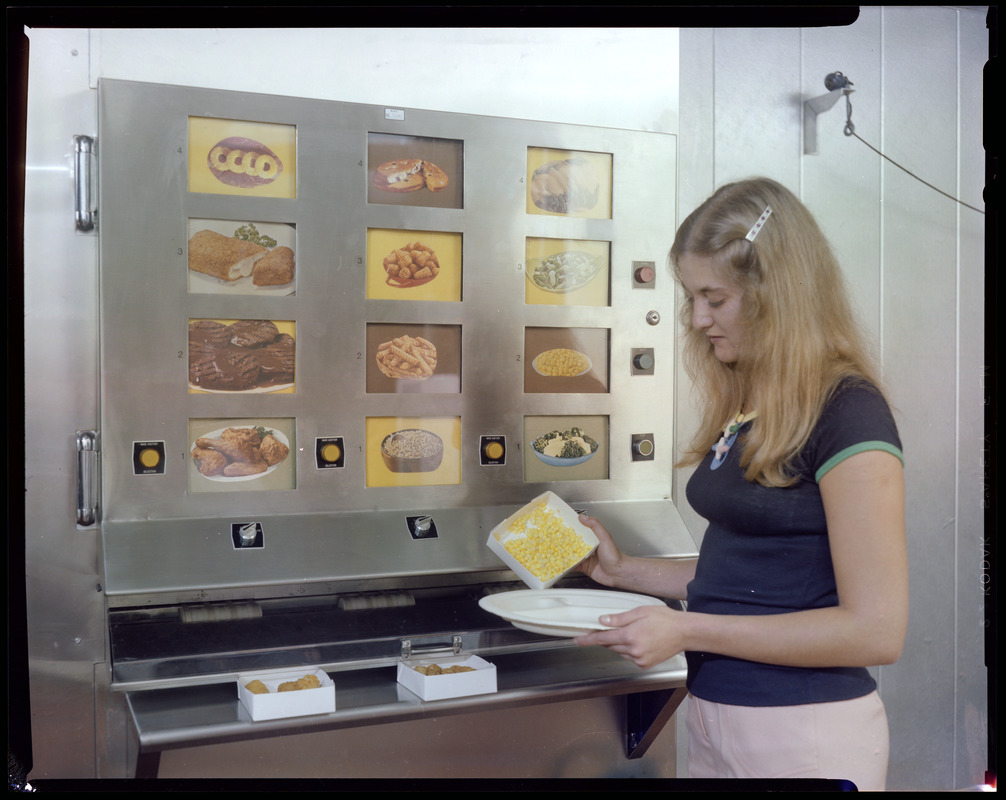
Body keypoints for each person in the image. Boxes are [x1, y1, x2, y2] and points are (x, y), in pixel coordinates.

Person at [574, 177, 907, 790]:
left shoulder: (848, 412)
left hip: (802, 733)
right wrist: (627, 575)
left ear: (775, 294)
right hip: (716, 715)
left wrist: (687, 627)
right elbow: (753, 579)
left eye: (715, 298)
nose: (698, 319)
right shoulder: (758, 402)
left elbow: (876, 629)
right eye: (691, 297)